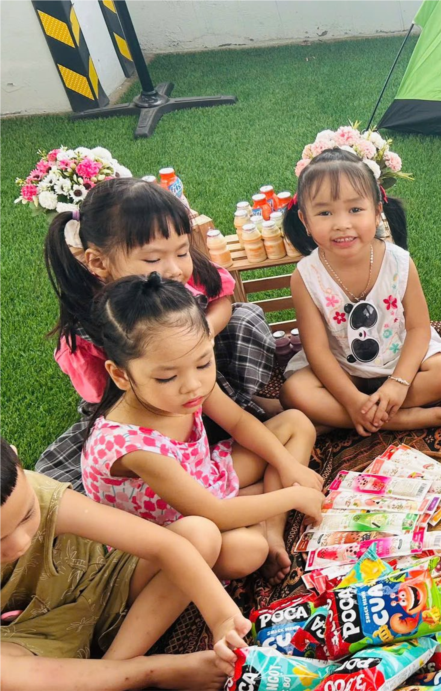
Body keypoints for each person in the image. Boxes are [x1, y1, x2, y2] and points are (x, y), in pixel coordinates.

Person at [80, 274, 322, 584]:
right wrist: (293, 496)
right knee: (248, 550)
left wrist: (287, 465)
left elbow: (239, 422)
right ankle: (259, 520)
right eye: (167, 378)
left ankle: (272, 530)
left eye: (204, 363)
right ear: (120, 375)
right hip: (180, 534)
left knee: (295, 424)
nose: (193, 385)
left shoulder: (188, 387)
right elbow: (213, 514)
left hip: (207, 481)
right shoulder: (131, 446)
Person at [39, 178, 277, 489]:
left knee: (245, 320)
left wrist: (205, 333)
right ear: (98, 262)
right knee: (62, 486)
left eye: (182, 252)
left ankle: (243, 403)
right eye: (153, 259)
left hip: (206, 384)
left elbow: (222, 298)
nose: (175, 269)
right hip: (150, 413)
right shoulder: (90, 326)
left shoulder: (178, 280)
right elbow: (110, 404)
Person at [0, 439, 249, 691]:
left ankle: (111, 671)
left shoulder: (44, 494)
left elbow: (165, 546)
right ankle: (145, 673)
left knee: (200, 534)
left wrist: (223, 618)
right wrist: (148, 673)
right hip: (29, 641)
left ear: (16, 456)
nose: (20, 543)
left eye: (28, 515)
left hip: (101, 587)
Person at [279, 149, 441, 434]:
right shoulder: (306, 276)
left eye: (355, 210)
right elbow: (317, 351)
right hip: (344, 370)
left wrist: (398, 384)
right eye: (325, 212)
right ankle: (398, 419)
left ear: (378, 212)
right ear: (305, 221)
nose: (342, 224)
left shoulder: (399, 262)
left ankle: (357, 416)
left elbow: (418, 328)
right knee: (295, 392)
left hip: (400, 360)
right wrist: (351, 400)